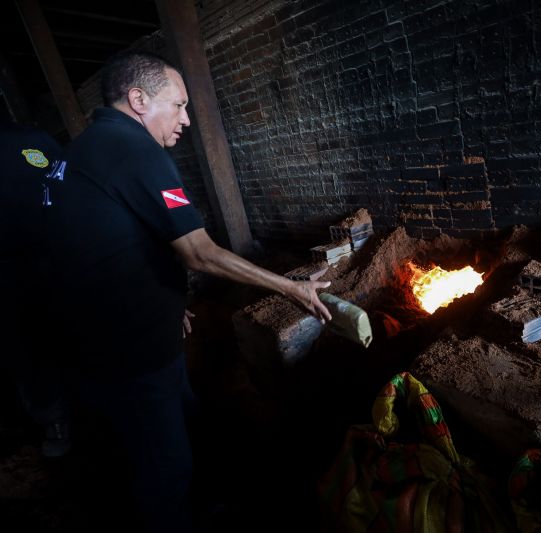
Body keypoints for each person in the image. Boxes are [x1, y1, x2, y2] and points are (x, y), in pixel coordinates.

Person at [42, 50, 332, 533]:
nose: (187, 120)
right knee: (164, 466)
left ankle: (206, 498)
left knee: (184, 417)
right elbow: (198, 251)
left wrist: (164, 300)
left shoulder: (76, 154)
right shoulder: (136, 151)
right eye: (177, 105)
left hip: (97, 339)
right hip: (129, 348)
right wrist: (290, 288)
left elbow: (96, 245)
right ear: (138, 99)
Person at [0, 121, 71, 458]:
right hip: (9, 275)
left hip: (57, 259)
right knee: (26, 346)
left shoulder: (33, 140)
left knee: (74, 331)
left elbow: (69, 184)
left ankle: (89, 408)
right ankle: (55, 420)